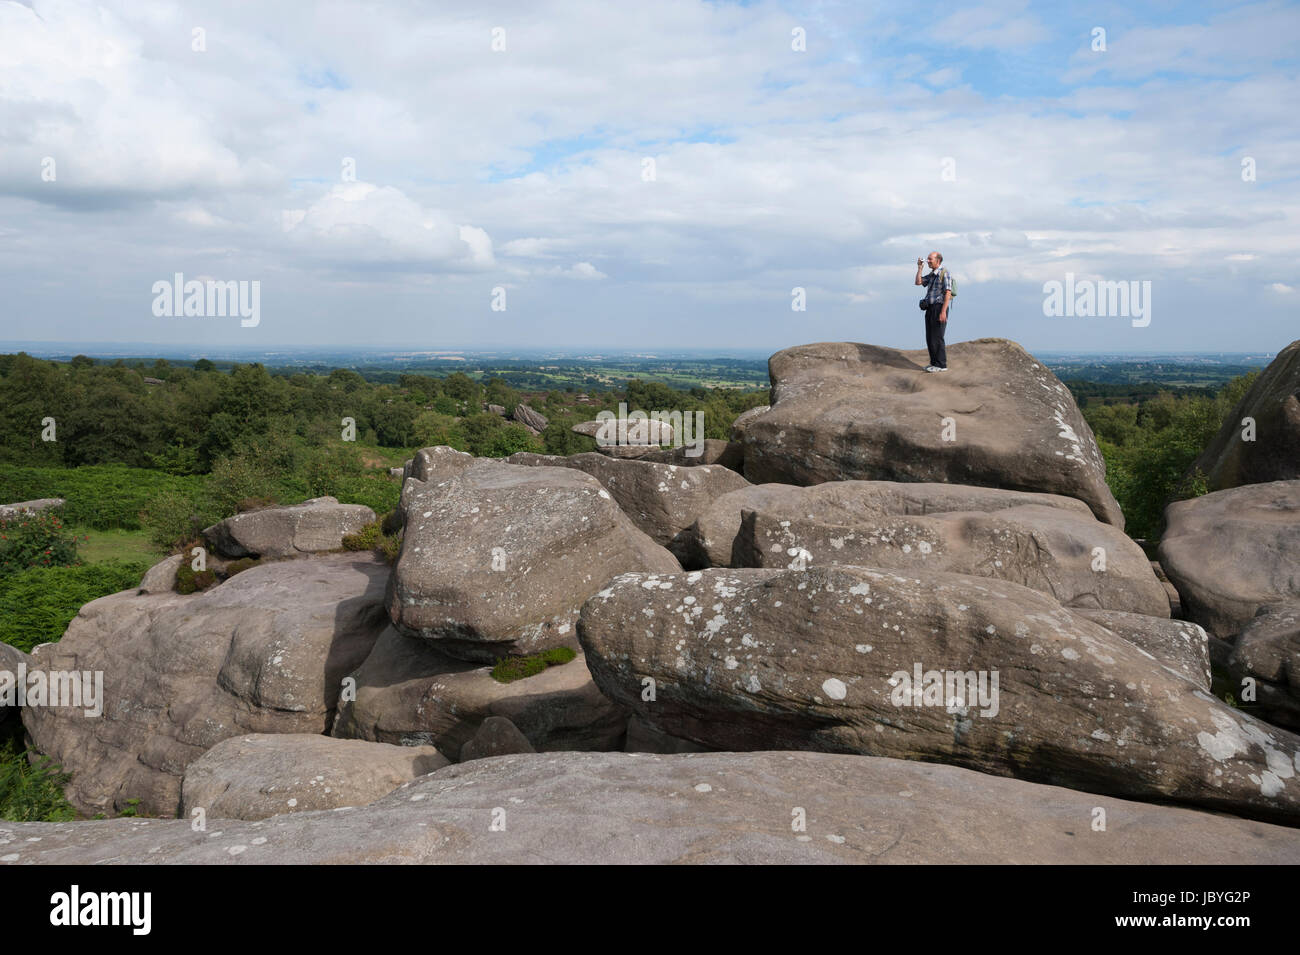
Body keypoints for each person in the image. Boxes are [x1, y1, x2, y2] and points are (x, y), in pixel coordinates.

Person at [914, 252, 952, 372]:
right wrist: (920, 268)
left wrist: (943, 311)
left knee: (937, 336)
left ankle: (941, 365)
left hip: (939, 307)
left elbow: (948, 292)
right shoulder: (932, 274)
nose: (928, 261)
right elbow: (918, 282)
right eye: (928, 259)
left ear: (938, 260)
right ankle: (934, 363)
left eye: (930, 259)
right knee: (930, 337)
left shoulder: (944, 273)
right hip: (930, 308)